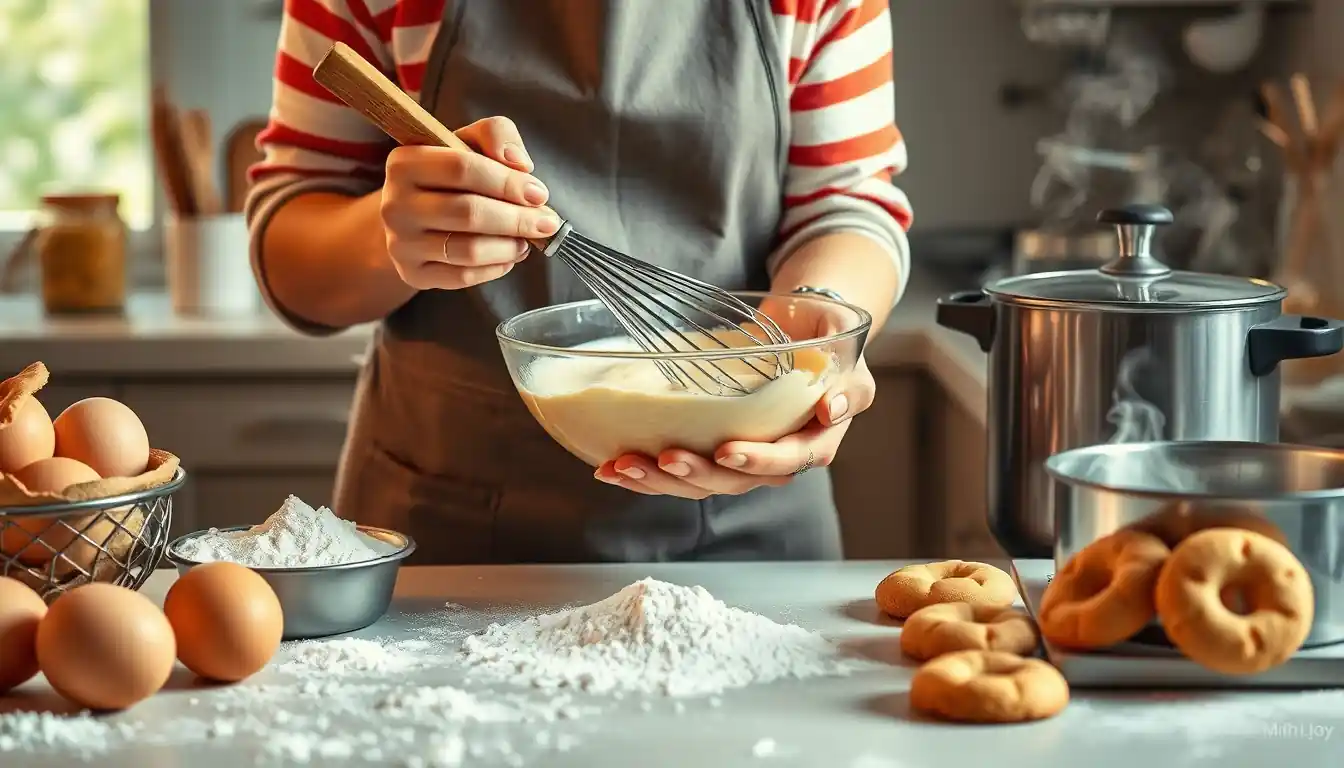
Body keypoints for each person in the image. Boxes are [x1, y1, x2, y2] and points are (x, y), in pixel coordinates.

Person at [246, 0, 913, 564]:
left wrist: (815, 324)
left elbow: (844, 205)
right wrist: (387, 237)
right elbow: (292, 248)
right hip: (446, 526)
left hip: (751, 530)